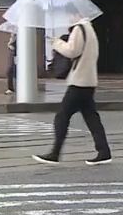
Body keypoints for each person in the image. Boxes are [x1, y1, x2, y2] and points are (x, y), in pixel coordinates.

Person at [33, 19, 113, 166]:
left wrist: (56, 42)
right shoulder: (89, 28)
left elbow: (71, 51)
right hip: (88, 80)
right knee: (91, 117)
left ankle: (55, 153)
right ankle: (104, 151)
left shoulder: (79, 28)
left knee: (62, 116)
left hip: (79, 81)